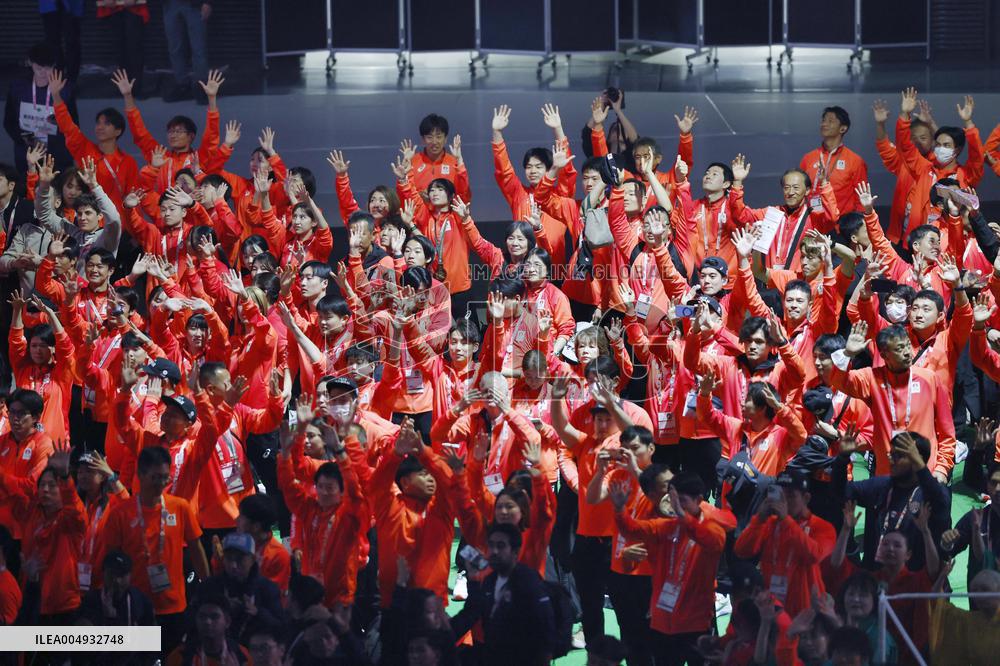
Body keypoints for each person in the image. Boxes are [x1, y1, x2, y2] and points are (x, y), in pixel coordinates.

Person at [609, 471, 736, 666]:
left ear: (699, 500)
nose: (675, 505)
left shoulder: (712, 529)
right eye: (673, 499)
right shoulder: (666, 527)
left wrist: (684, 517)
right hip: (662, 621)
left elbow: (712, 541)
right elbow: (632, 530)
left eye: (681, 500)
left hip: (695, 622)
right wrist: (619, 509)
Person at [99, 446, 210, 654]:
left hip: (174, 606)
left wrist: (209, 585)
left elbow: (196, 549)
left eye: (165, 478)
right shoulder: (121, 513)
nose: (161, 483)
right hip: (134, 605)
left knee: (173, 657)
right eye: (155, 477)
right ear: (140, 475)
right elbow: (111, 561)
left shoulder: (180, 507)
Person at [734, 471, 837, 618]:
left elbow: (815, 555)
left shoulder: (822, 527)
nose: (784, 501)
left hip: (806, 612)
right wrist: (759, 518)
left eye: (790, 495)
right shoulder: (769, 523)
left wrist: (786, 520)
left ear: (806, 498)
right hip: (772, 609)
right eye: (781, 495)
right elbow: (742, 550)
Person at [450, 522, 556, 665]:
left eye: (500, 546)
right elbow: (472, 613)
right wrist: (474, 580)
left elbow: (546, 627)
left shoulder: (529, 581)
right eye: (491, 545)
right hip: (487, 648)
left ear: (515, 551)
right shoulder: (485, 581)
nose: (494, 551)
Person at [4, 42, 77, 173]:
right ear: (30, 62)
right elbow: (9, 121)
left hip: (57, 155)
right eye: (39, 68)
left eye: (48, 68)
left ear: (54, 65)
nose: (43, 72)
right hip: (26, 153)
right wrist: (25, 138)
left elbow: (74, 125)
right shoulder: (18, 88)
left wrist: (56, 132)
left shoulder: (64, 88)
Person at [200, 532, 284, 643]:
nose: (234, 565)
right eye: (229, 559)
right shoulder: (210, 587)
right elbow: (192, 620)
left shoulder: (266, 589)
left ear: (253, 559)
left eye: (240, 559)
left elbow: (280, 629)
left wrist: (257, 613)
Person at [800, 105, 869, 214]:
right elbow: (800, 191)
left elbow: (861, 200)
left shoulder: (855, 161)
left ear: (843, 128)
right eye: (823, 120)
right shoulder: (808, 158)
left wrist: (857, 228)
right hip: (812, 223)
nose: (824, 124)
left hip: (841, 226)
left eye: (830, 121)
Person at [166, 594, 252, 665]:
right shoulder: (179, 657)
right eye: (202, 617)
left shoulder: (243, 656)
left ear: (227, 622)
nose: (207, 622)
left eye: (214, 617)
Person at [162, 0, 213, 103]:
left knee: (199, 48)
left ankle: (201, 86)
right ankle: (182, 85)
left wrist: (208, 2)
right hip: (171, 4)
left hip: (195, 4)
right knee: (174, 47)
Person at [39, 0, 82, 85]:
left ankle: (71, 81)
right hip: (49, 4)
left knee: (72, 42)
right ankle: (56, 78)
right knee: (52, 42)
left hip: (72, 4)